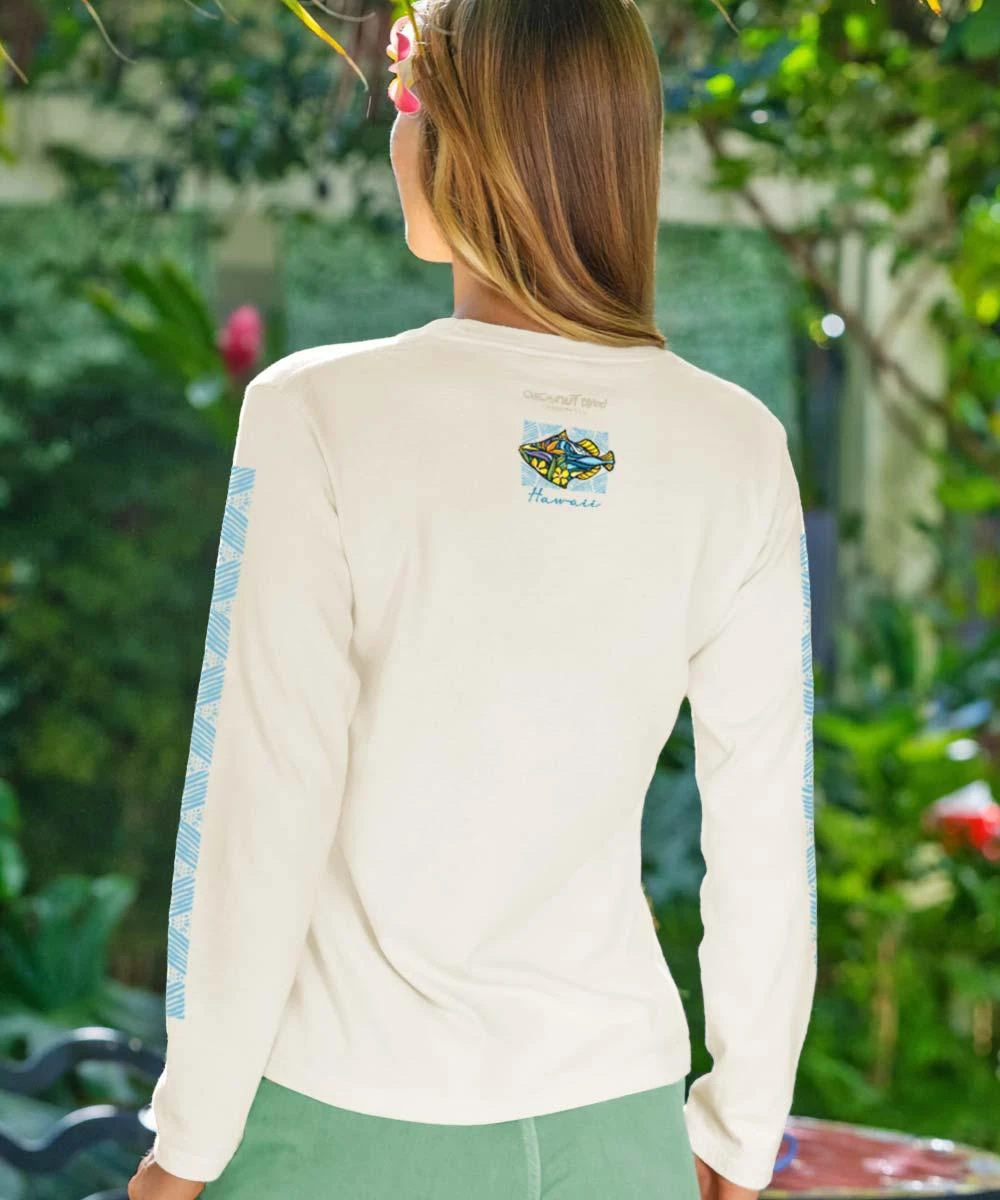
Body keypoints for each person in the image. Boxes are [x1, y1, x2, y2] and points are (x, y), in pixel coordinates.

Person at [128, 1, 817, 1197]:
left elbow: (260, 803)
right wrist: (741, 1133)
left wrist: (184, 1147)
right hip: (617, 1130)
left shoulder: (314, 414)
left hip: (341, 1127)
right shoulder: (737, 447)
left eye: (406, 106)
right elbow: (764, 830)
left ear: (465, 147)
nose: (395, 136)